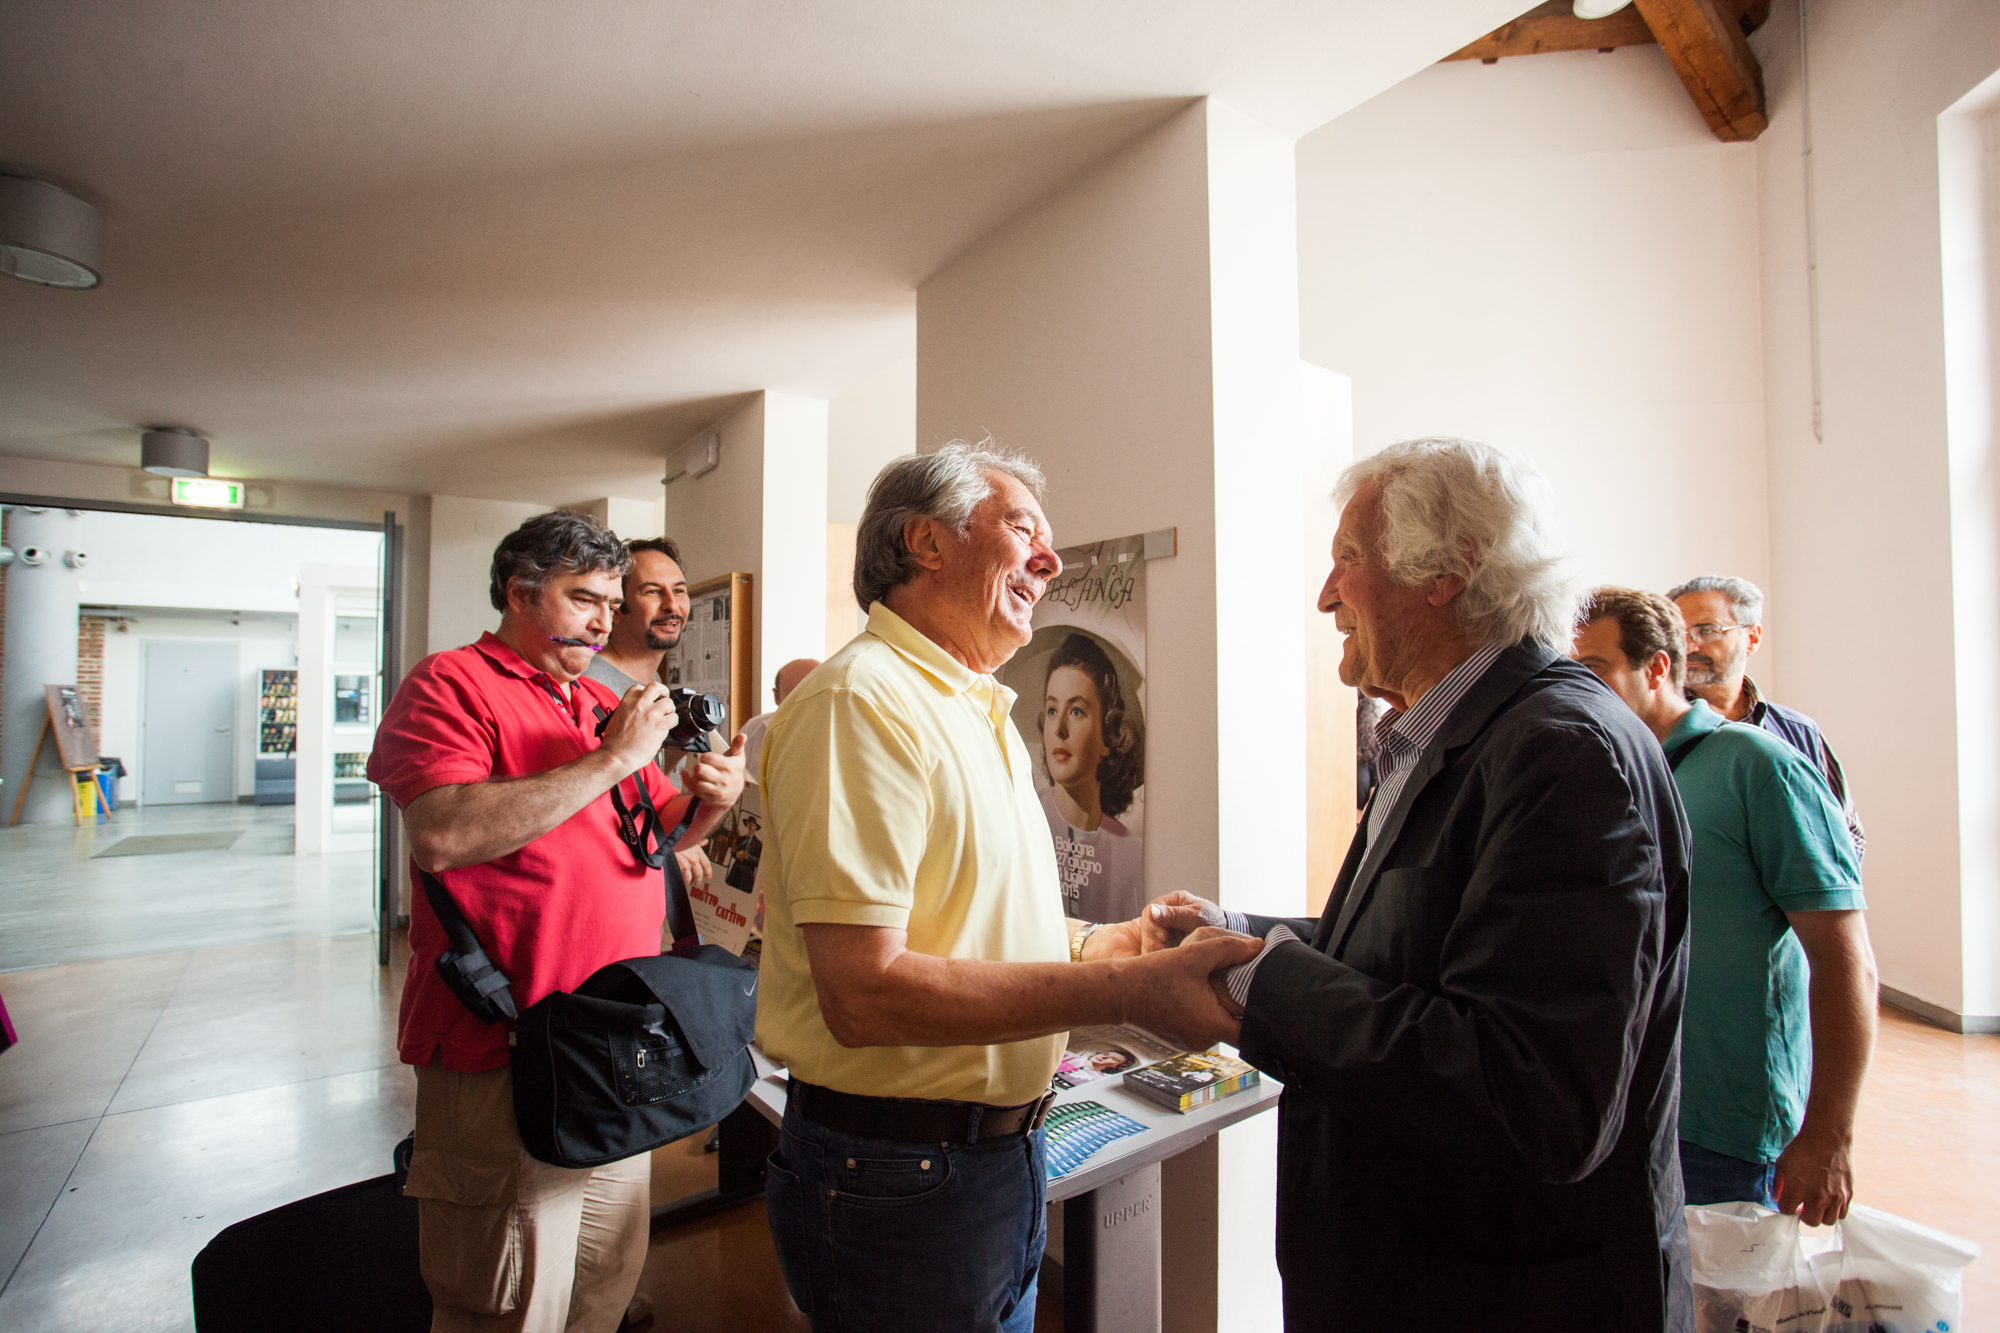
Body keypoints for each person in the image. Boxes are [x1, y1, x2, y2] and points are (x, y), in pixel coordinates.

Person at [1147, 438, 1693, 1332]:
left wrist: (1256, 977)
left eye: (1347, 559)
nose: (1326, 595)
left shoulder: (1561, 754)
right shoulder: (1460, 730)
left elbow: (1535, 1097)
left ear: (1448, 570)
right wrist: (1231, 930)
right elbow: (1416, 944)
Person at [756, 441, 1258, 1332]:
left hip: (989, 1162)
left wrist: (1109, 943)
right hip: (897, 1176)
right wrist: (1125, 990)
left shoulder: (971, 706)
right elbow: (863, 993)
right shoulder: (859, 703)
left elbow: (976, 920)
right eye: (1024, 528)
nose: (1051, 560)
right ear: (926, 542)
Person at [367, 511, 743, 1333]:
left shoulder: (598, 698)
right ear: (519, 593)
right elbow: (441, 834)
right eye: (584, 599)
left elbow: (655, 840)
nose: (606, 620)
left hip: (612, 1040)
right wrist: (611, 758)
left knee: (603, 1284)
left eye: (612, 601)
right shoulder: (450, 682)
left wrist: (712, 800)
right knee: (509, 1298)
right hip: (505, 1043)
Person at [1573, 587, 1877, 1225]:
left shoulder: (1757, 766)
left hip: (1725, 1136)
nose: (1579, 688)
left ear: (1658, 667)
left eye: (1595, 668)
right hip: (1623, 1110)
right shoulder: (1606, 773)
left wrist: (1830, 1134)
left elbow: (1844, 957)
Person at [585, 534, 749, 892]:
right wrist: (663, 841)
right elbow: (585, 806)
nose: (672, 606)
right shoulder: (584, 683)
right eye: (652, 592)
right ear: (617, 606)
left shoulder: (657, 686)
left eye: (679, 591)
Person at [1669, 575, 1864, 856]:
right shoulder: (1656, 729)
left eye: (1707, 631)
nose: (1690, 647)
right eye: (1680, 634)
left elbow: (1848, 834)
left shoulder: (1798, 731)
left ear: (1752, 638)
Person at [1038, 632, 1145, 922]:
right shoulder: (1023, 816)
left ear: (1108, 735)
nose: (1059, 728)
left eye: (1076, 711)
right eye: (1051, 710)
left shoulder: (1131, 855)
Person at [738, 656, 819, 784]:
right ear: (777, 696)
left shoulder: (843, 733)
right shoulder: (753, 729)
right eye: (793, 702)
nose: (804, 710)